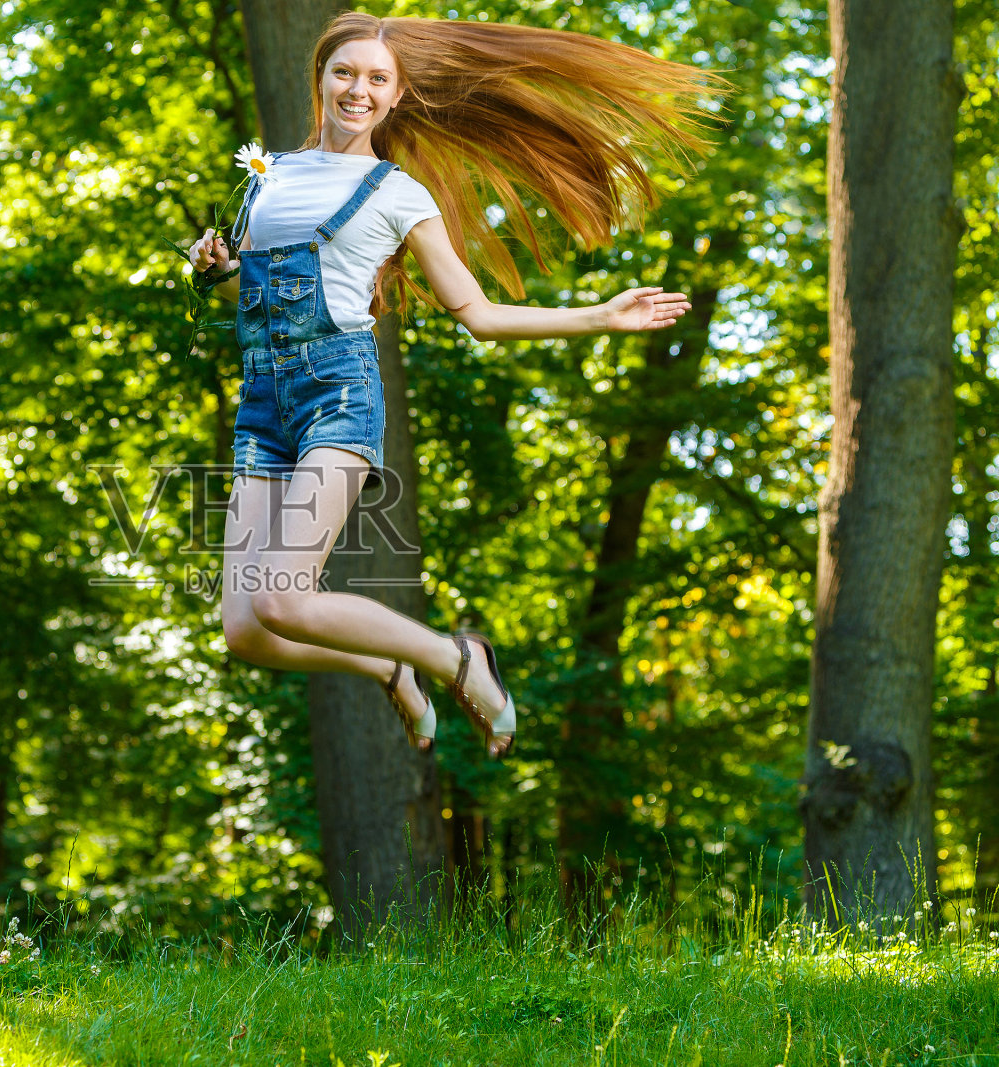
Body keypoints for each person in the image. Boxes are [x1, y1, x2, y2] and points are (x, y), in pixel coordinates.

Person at [186, 12, 716, 757]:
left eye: (377, 79)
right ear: (320, 80)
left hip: (336, 393)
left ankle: (457, 657)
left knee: (282, 593)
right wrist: (216, 266)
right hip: (262, 404)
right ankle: (390, 662)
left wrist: (601, 314)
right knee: (246, 628)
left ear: (398, 96)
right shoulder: (272, 173)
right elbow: (260, 272)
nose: (357, 90)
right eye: (344, 73)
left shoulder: (400, 193)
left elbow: (480, 313)